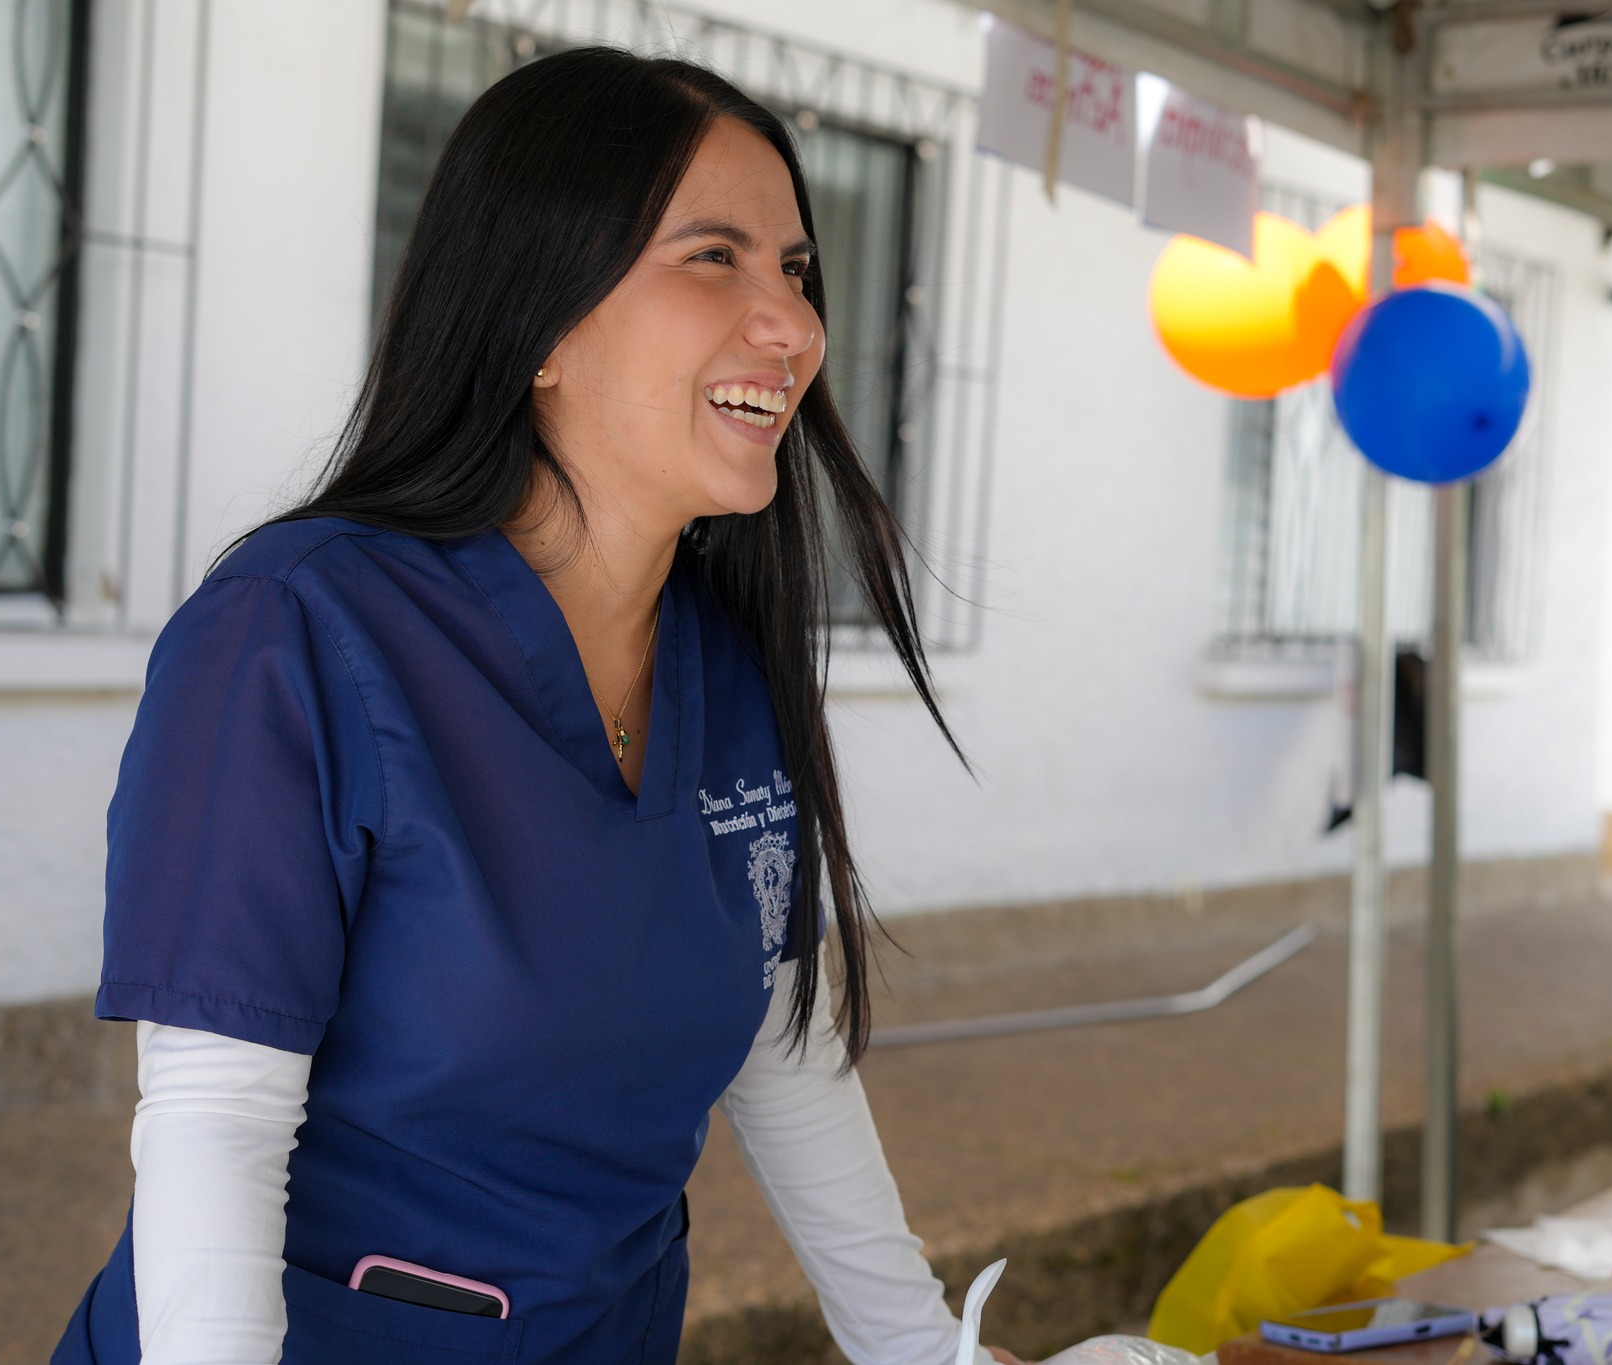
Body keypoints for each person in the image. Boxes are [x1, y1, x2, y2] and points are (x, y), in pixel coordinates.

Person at [50, 46, 1031, 1365]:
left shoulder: (726, 665)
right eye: (713, 258)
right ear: (543, 322)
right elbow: (215, 1120)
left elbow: (780, 1052)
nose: (793, 324)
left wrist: (934, 1355)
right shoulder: (294, 633)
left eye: (796, 269)